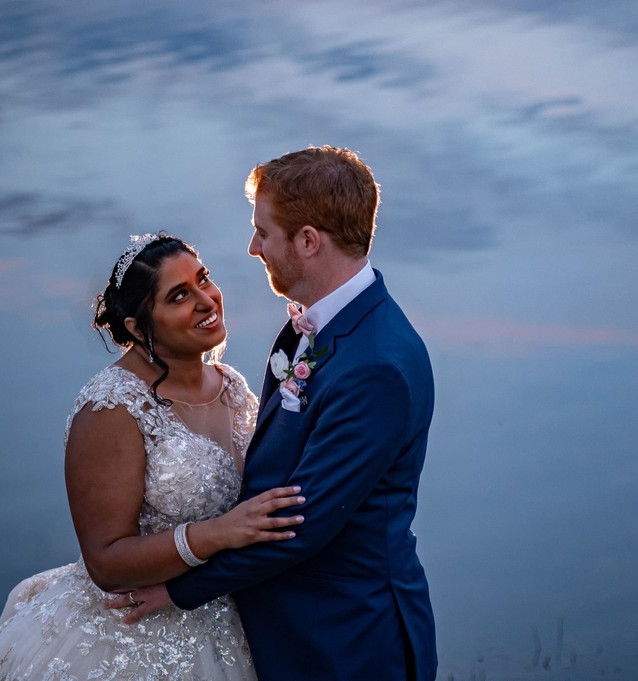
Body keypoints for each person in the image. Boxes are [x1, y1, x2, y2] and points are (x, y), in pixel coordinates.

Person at [121, 146, 438, 681]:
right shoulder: (311, 327)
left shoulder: (377, 366)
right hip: (289, 627)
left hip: (347, 642)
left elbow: (301, 524)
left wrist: (178, 590)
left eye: (263, 232)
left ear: (308, 241)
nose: (252, 247)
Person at [0, 234, 305, 680]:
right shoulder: (111, 407)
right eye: (179, 296)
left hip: (225, 612)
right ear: (139, 328)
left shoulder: (230, 384)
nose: (206, 300)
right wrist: (220, 533)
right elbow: (105, 561)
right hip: (133, 636)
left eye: (204, 280)